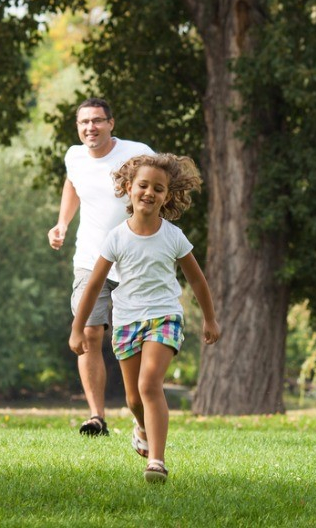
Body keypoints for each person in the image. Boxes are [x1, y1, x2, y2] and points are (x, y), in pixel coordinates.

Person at [70, 153, 221, 483]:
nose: (149, 193)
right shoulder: (116, 238)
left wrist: (209, 319)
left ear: (167, 195)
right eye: (143, 185)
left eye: (158, 188)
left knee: (149, 384)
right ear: (128, 188)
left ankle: (157, 461)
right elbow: (94, 285)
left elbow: (196, 279)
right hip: (126, 322)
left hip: (164, 317)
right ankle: (140, 426)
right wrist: (77, 328)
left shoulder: (173, 236)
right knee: (133, 398)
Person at [48, 98, 154, 437]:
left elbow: (162, 187)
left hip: (134, 261)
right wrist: (62, 223)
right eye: (83, 123)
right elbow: (73, 184)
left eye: (96, 121)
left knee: (132, 342)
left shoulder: (138, 154)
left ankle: (140, 413)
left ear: (111, 123)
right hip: (90, 260)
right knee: (89, 334)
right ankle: (96, 417)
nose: (89, 128)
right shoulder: (74, 156)